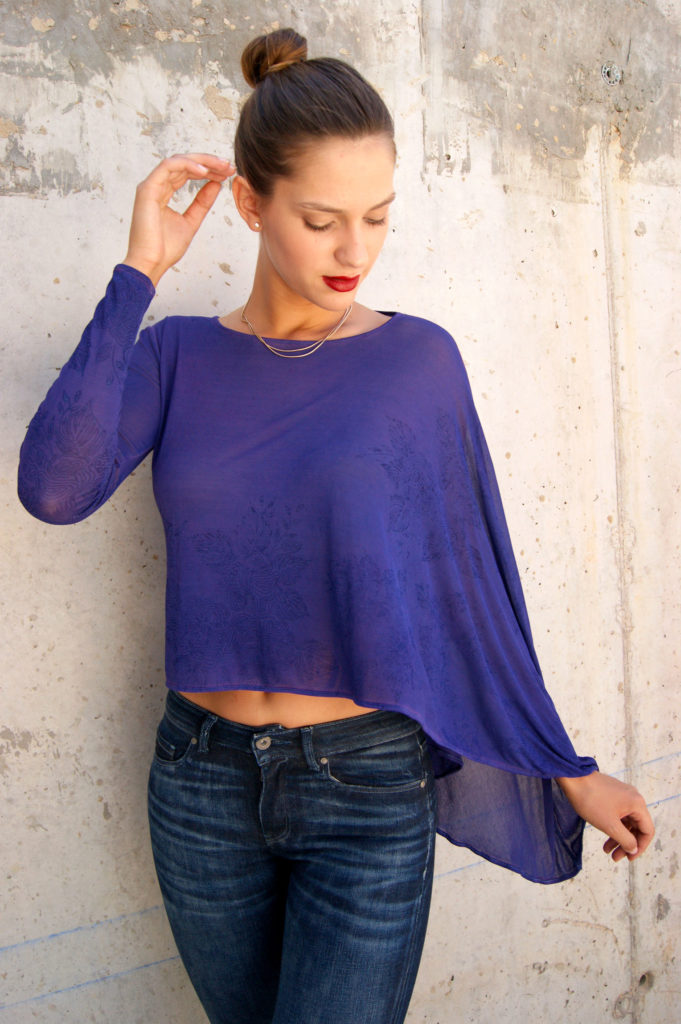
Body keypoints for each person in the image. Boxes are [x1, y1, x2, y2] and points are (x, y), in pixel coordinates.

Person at [17, 27, 654, 1024]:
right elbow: (55, 489)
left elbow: (471, 591)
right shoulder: (177, 357)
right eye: (321, 220)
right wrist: (139, 271)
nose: (355, 250)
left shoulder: (418, 364)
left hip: (364, 783)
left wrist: (563, 766)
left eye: (377, 217)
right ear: (250, 203)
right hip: (198, 784)